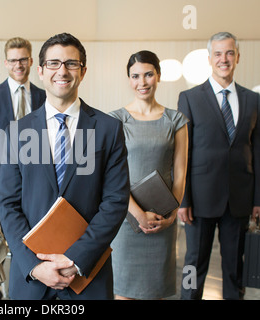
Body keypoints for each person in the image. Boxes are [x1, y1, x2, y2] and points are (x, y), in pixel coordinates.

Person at [0, 33, 130, 300]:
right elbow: (8, 204)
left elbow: (115, 201)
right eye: (54, 63)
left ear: (83, 71)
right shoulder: (18, 132)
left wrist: (75, 258)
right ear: (41, 70)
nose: (62, 71)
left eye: (71, 63)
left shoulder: (107, 129)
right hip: (32, 280)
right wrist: (35, 266)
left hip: (87, 275)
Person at [178, 32, 260, 300]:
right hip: (199, 200)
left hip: (239, 198)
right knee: (193, 264)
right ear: (209, 59)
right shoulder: (189, 98)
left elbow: (257, 151)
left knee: (234, 266)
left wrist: (257, 199)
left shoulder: (253, 100)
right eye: (218, 54)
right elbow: (183, 151)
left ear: (237, 57)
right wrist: (183, 199)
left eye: (229, 53)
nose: (224, 59)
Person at [109, 50, 188, 299]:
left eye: (148, 74)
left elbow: (180, 173)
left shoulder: (176, 120)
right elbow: (112, 177)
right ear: (128, 79)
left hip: (162, 221)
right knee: (122, 291)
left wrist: (172, 213)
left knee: (155, 293)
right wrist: (138, 214)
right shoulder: (115, 120)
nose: (142, 82)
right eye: (135, 76)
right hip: (126, 220)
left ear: (158, 76)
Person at [0, 37, 45, 219]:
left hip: (36, 178)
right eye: (13, 60)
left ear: (31, 61)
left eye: (23, 59)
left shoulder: (44, 96)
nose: (19, 65)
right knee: (1, 234)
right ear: (6, 63)